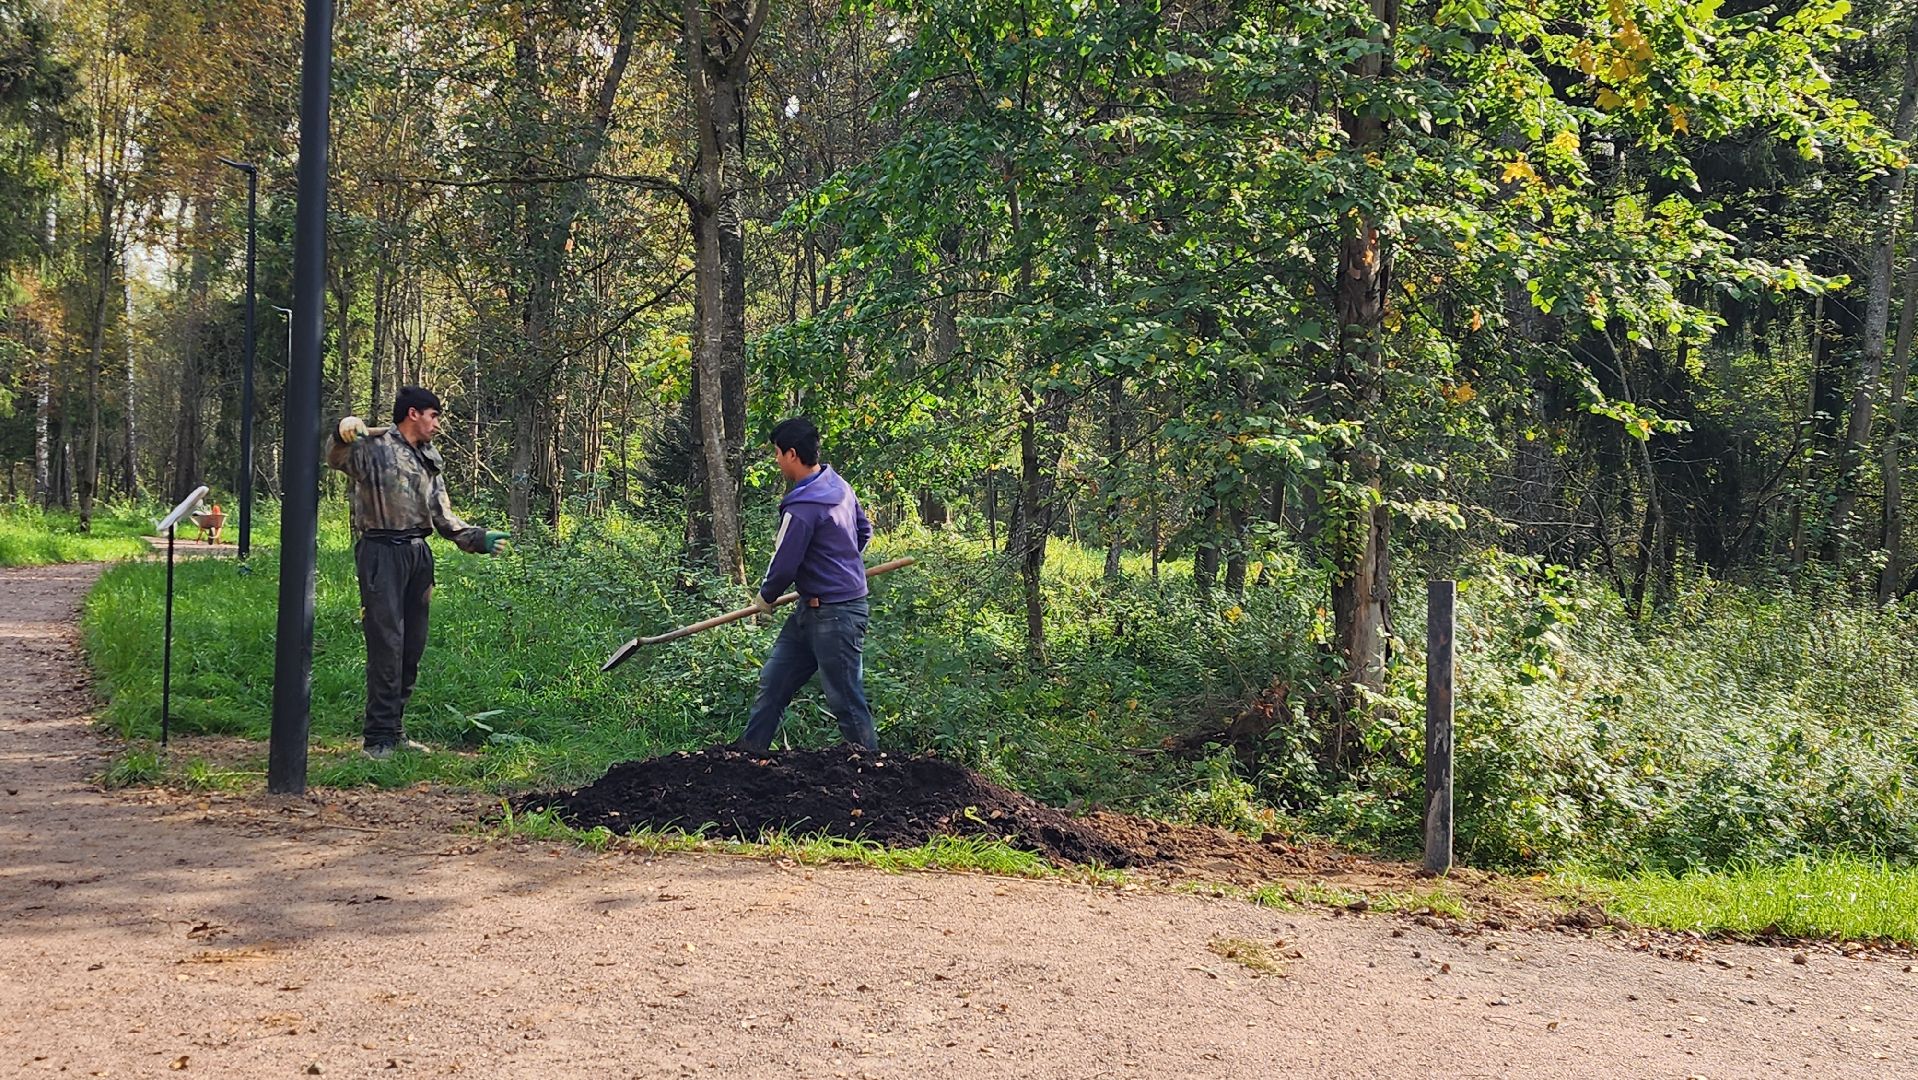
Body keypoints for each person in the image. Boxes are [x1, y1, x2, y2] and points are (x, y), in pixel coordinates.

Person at [327, 387, 509, 759]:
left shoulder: (428, 456)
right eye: (434, 416)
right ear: (414, 414)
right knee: (386, 646)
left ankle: (395, 731)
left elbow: (442, 515)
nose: (437, 424)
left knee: (411, 647)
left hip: (417, 555)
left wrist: (477, 538)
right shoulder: (374, 448)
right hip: (381, 552)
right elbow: (337, 458)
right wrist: (340, 432)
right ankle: (377, 739)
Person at [736, 417, 877, 753]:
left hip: (837, 615)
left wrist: (766, 597)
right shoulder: (839, 485)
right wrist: (837, 565)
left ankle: (875, 772)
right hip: (809, 610)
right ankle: (748, 756)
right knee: (774, 682)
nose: (776, 460)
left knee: (845, 700)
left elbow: (784, 563)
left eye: (777, 453)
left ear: (793, 455)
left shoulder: (803, 507)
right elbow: (864, 532)